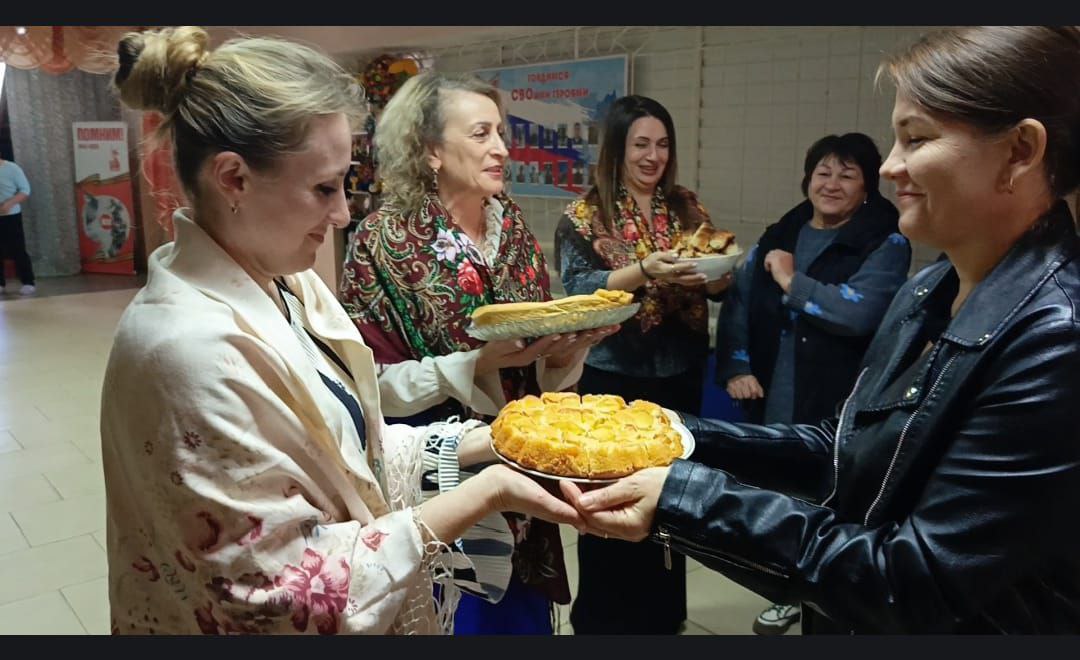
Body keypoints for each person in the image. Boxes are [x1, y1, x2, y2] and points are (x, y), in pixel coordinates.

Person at [560, 26, 1080, 634]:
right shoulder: (929, 289)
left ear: (1020, 151)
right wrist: (668, 433)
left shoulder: (1056, 341)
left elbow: (910, 581)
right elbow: (842, 449)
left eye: (916, 139)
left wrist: (684, 498)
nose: (890, 166)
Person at [101, 26, 583, 636]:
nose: (342, 214)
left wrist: (492, 443)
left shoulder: (286, 284)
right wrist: (482, 495)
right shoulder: (188, 352)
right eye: (324, 188)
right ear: (233, 179)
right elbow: (276, 597)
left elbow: (348, 454)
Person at [338, 71, 616, 635]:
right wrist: (473, 366)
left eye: (501, 133)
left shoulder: (510, 226)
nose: (502, 149)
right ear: (431, 151)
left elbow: (537, 352)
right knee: (458, 615)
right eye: (481, 134)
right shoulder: (381, 241)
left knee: (522, 617)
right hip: (440, 477)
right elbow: (370, 385)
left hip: (524, 463)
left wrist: (564, 351)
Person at [714, 133, 911, 633]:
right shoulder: (783, 232)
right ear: (808, 179)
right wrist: (737, 366)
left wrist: (791, 281)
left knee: (830, 493)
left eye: (848, 174)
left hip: (839, 395)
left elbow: (858, 313)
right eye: (823, 172)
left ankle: (826, 597)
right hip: (774, 384)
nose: (832, 184)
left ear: (867, 187)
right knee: (780, 490)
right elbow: (739, 301)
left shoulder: (885, 241)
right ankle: (786, 586)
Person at [553, 94, 733, 634]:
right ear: (617, 149)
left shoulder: (685, 206)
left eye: (662, 144)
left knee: (672, 496)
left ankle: (662, 614)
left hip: (680, 371)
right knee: (608, 497)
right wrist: (645, 270)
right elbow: (580, 288)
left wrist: (716, 278)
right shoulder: (584, 215)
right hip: (614, 376)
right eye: (641, 145)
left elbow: (718, 274)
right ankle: (603, 618)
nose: (653, 156)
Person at [0, 157, 35, 296]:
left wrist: (9, 203)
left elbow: (25, 190)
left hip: (11, 215)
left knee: (18, 249)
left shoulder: (12, 168)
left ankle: (28, 282)